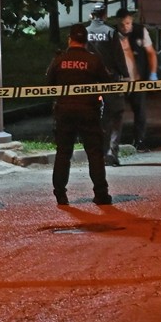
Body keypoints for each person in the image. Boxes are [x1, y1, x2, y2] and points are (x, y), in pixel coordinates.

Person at [45, 24, 113, 206]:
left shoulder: (59, 60)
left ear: (70, 39)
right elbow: (108, 84)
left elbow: (48, 83)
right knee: (94, 154)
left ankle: (60, 194)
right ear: (86, 42)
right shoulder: (94, 60)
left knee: (63, 153)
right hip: (89, 112)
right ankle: (101, 194)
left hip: (64, 112)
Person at [99, 9, 158, 163]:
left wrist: (153, 73)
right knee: (115, 113)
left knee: (140, 112)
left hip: (137, 80)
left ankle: (139, 142)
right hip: (118, 83)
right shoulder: (111, 34)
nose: (125, 27)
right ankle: (111, 148)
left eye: (128, 23)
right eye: (122, 24)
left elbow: (151, 53)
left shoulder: (140, 31)